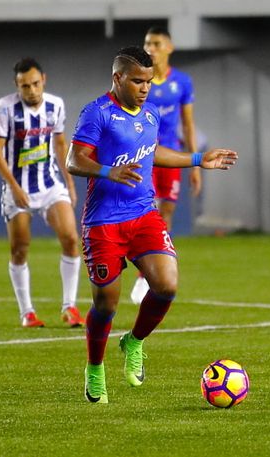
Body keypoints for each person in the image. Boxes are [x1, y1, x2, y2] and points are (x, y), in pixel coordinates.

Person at [67, 47, 237, 403]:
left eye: (148, 81)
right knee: (106, 306)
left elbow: (153, 151)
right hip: (103, 223)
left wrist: (197, 159)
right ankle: (95, 368)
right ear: (117, 78)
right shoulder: (96, 112)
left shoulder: (150, 112)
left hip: (143, 214)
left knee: (167, 285)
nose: (145, 88)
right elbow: (74, 160)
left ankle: (134, 341)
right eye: (137, 81)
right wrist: (108, 171)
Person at [0, 58, 84, 328]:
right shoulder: (5, 108)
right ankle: (27, 312)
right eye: (24, 86)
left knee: (71, 238)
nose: (31, 90)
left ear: (44, 80)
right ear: (16, 85)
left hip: (50, 184)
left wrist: (70, 183)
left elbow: (60, 144)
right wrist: (14, 187)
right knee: (20, 249)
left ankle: (69, 307)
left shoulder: (56, 105)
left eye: (34, 84)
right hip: (18, 188)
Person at [129, 27, 202, 304]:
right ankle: (141, 269)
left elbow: (188, 125)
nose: (151, 48)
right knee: (146, 213)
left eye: (157, 43)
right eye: (147, 43)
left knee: (165, 213)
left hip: (170, 157)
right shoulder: (139, 82)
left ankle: (147, 275)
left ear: (169, 47)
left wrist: (195, 165)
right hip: (143, 157)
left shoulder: (182, 82)